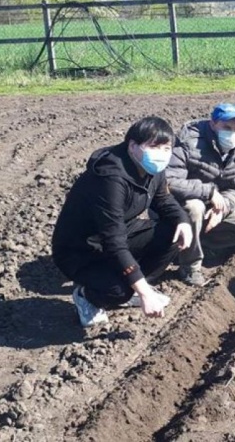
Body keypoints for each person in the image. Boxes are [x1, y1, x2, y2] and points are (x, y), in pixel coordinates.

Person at [52, 116, 193, 327]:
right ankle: (87, 296)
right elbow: (113, 239)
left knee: (172, 233)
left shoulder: (152, 169)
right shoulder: (110, 178)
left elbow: (163, 200)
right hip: (81, 248)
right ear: (133, 145)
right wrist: (143, 292)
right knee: (118, 291)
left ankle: (134, 288)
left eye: (167, 148)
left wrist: (183, 220)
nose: (162, 154)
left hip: (116, 233)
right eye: (154, 146)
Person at [165, 103, 235, 286]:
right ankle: (189, 266)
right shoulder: (188, 142)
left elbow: (234, 188)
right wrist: (209, 192)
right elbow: (169, 182)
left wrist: (223, 208)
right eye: (226, 127)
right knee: (195, 207)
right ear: (213, 124)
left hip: (212, 207)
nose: (232, 133)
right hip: (175, 209)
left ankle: (196, 244)